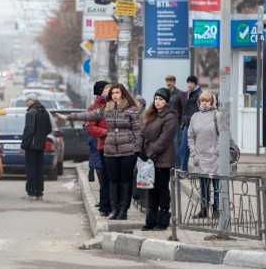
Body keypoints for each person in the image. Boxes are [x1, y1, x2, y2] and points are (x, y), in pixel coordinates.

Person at [58, 84, 142, 220]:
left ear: (123, 94)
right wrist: (69, 117)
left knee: (124, 181)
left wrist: (137, 149)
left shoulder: (131, 110)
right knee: (113, 181)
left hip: (127, 151)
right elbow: (89, 115)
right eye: (112, 93)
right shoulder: (106, 109)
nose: (114, 95)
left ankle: (123, 210)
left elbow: (138, 131)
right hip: (110, 150)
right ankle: (115, 209)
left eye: (117, 92)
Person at [140, 88, 178, 231]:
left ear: (167, 101)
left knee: (162, 190)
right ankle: (151, 220)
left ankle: (163, 220)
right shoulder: (152, 115)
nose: (157, 102)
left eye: (161, 99)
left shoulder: (170, 117)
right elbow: (145, 134)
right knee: (151, 190)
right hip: (150, 160)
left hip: (163, 160)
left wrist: (149, 152)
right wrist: (141, 151)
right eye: (156, 98)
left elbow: (164, 140)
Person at [188, 91, 220, 218]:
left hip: (214, 156)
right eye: (202, 101)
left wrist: (217, 151)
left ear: (212, 101)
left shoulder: (217, 115)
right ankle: (204, 209)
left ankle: (217, 209)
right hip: (200, 156)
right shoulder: (195, 117)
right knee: (203, 184)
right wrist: (194, 153)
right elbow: (190, 137)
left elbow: (222, 135)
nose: (204, 103)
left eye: (207, 100)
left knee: (216, 184)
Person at [84, 81, 112, 217]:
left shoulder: (114, 104)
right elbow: (88, 128)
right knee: (103, 177)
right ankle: (105, 204)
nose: (110, 89)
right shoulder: (94, 107)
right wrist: (105, 133)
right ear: (101, 90)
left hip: (114, 146)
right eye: (107, 87)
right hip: (99, 146)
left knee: (112, 177)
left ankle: (111, 203)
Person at [20, 93, 52, 201]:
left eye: (27, 100)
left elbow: (29, 130)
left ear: (31, 100)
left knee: (31, 169)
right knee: (39, 169)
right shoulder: (44, 112)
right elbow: (49, 129)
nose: (26, 103)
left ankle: (31, 193)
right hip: (40, 146)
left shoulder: (31, 112)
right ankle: (39, 193)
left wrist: (24, 145)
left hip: (31, 146)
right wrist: (41, 137)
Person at [179, 75, 202, 171]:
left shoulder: (199, 94)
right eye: (188, 82)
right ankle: (183, 169)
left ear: (195, 84)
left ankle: (199, 170)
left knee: (198, 149)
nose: (189, 84)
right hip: (187, 125)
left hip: (197, 125)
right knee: (184, 148)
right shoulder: (187, 93)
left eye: (191, 83)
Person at [165, 74, 185, 166]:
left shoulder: (180, 93)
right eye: (167, 81)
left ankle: (178, 165)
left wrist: (181, 123)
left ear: (174, 82)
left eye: (171, 81)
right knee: (167, 144)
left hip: (176, 122)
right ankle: (170, 164)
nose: (169, 83)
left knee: (176, 143)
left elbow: (183, 109)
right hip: (165, 123)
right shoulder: (164, 93)